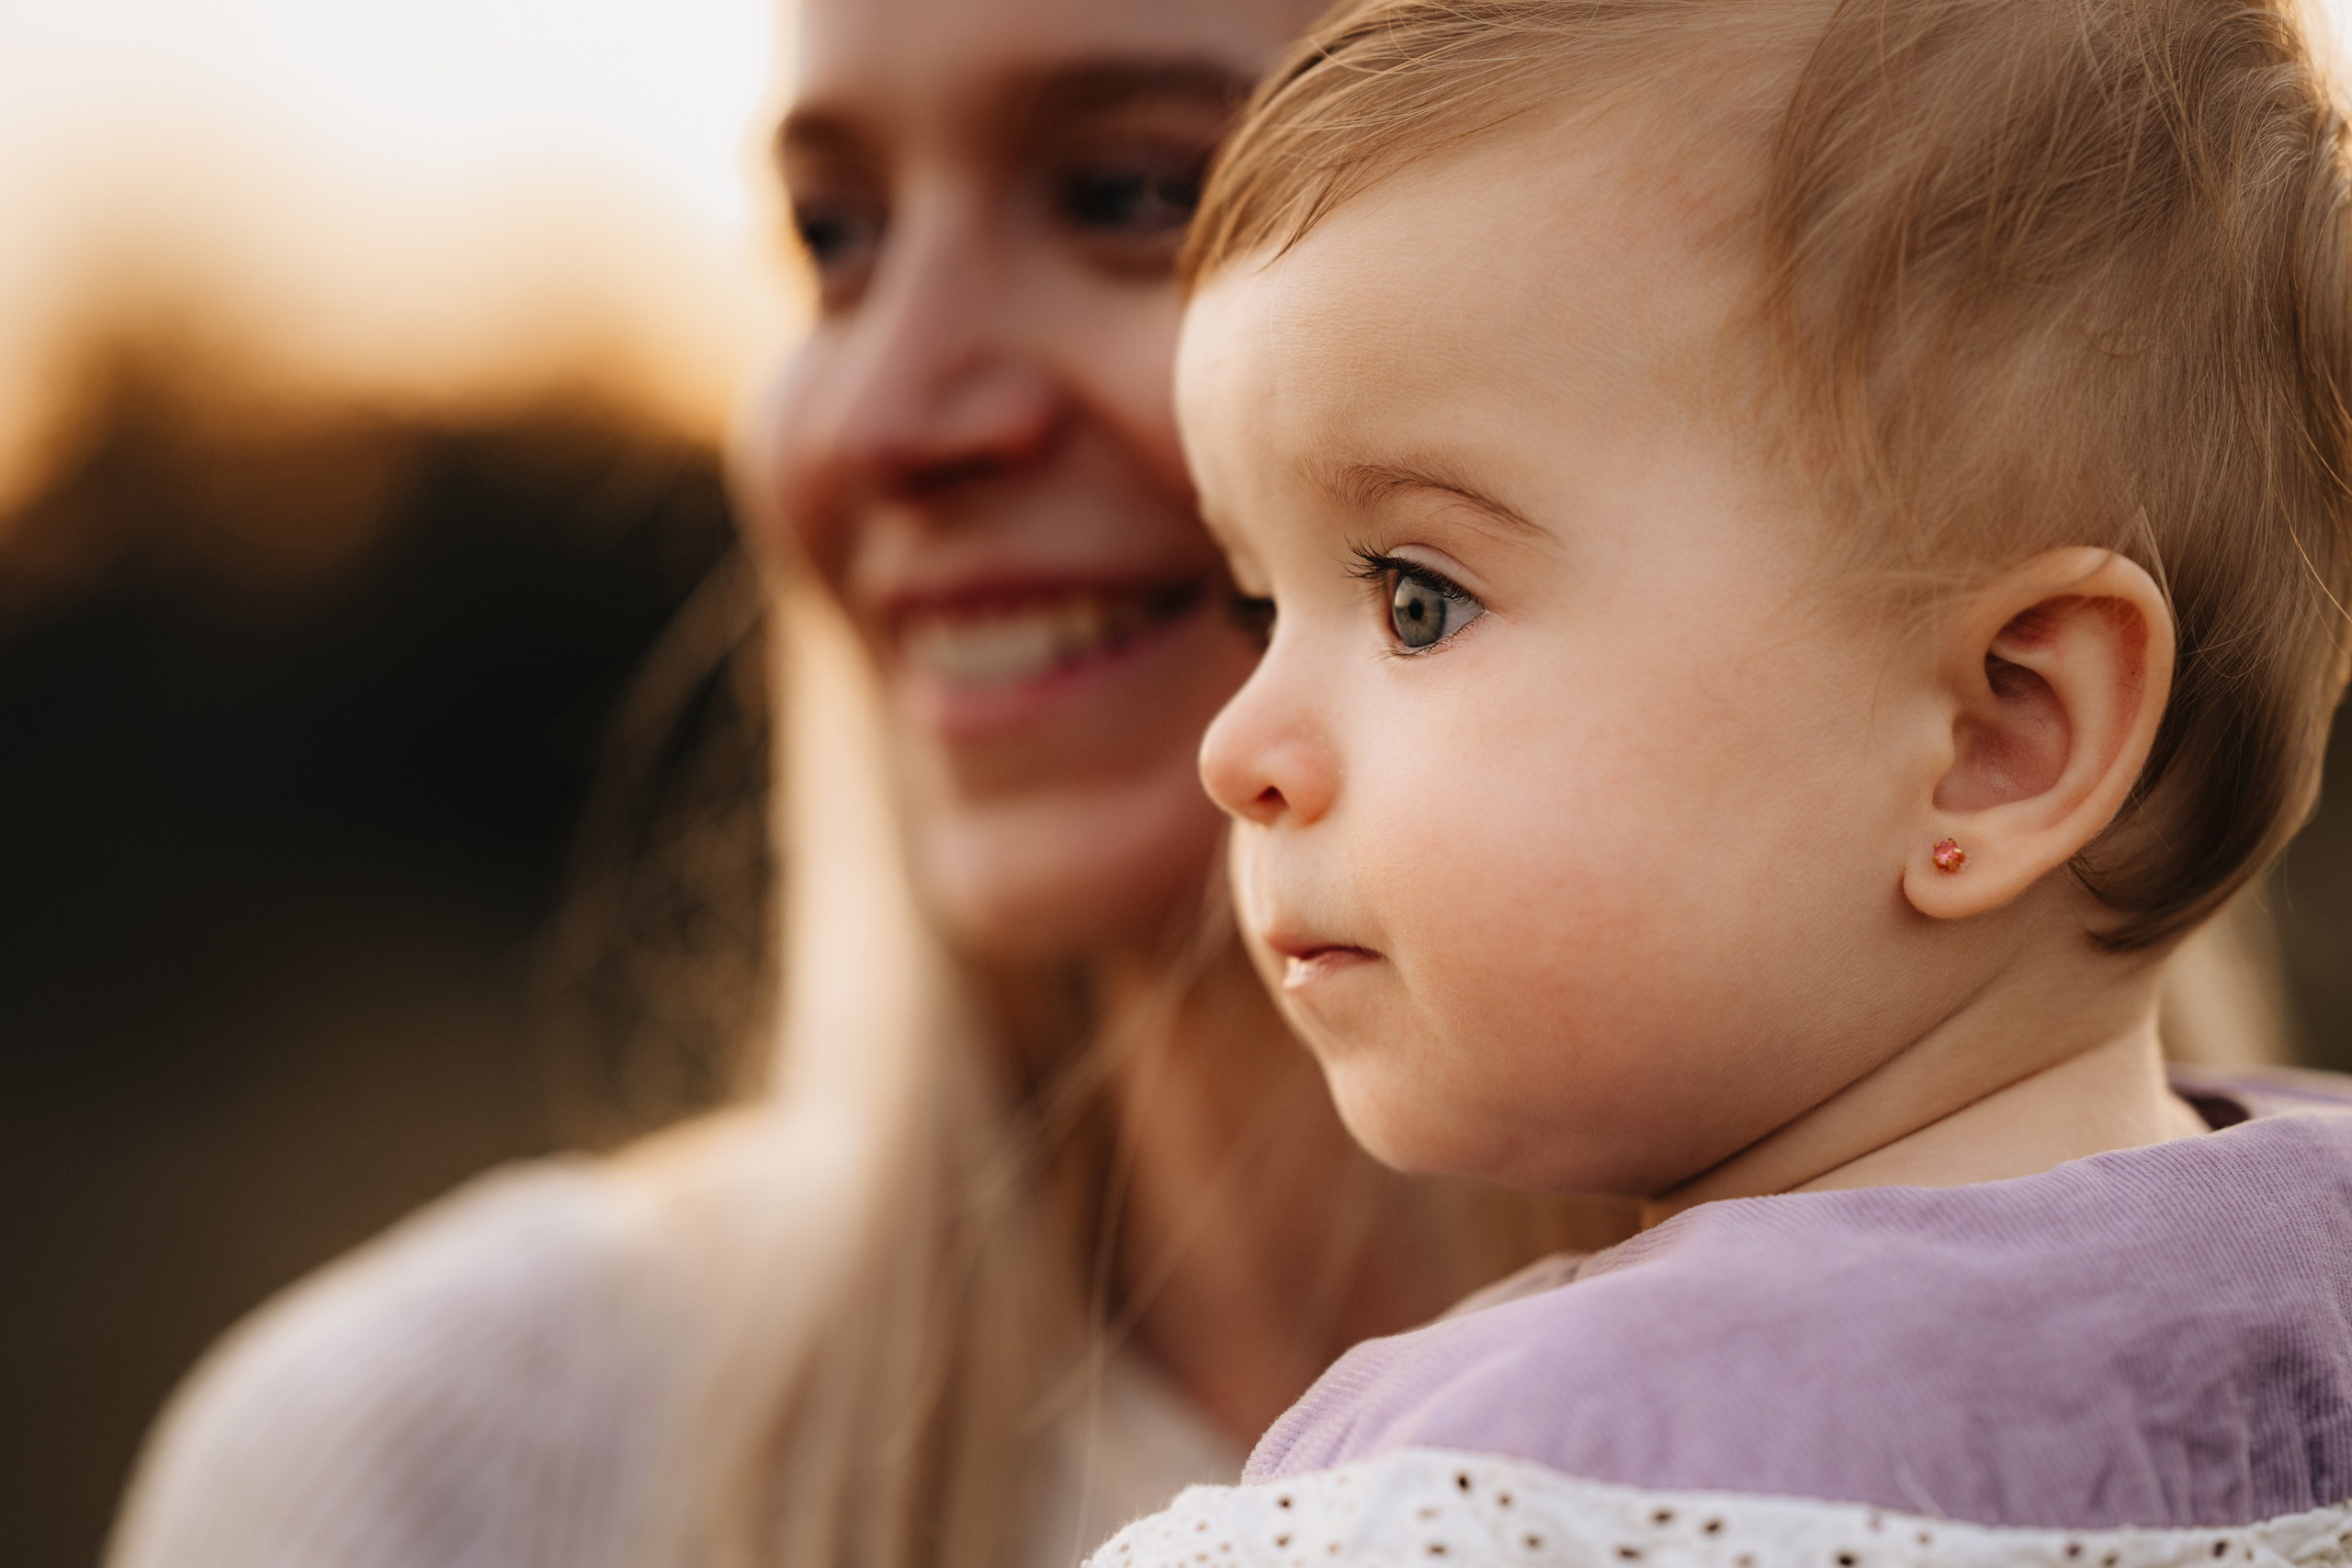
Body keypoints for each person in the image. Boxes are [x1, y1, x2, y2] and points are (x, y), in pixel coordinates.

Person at [102, 4, 1636, 1567]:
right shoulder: (421, 1477)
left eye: (1129, 197)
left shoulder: (1885, 1466)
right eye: (837, 238)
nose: (876, 418)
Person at [1093, 0, 2352, 1561]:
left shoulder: (1495, 1499)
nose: (1235, 749)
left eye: (1416, 597)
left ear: (1994, 736)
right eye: (1254, 605)